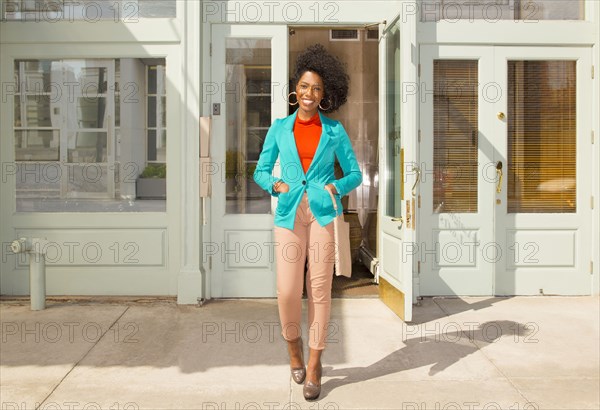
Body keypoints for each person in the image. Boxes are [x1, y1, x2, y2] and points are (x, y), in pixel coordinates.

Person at [253, 44, 362, 400]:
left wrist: (336, 184)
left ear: (324, 93)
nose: (309, 93)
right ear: (294, 90)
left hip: (322, 213)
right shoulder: (280, 129)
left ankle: (314, 364)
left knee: (319, 291)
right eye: (303, 86)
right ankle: (294, 348)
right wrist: (276, 184)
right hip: (288, 213)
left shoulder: (334, 131)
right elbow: (260, 170)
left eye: (316, 88)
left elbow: (355, 174)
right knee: (287, 290)